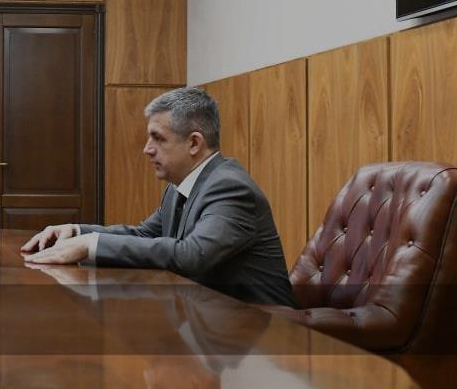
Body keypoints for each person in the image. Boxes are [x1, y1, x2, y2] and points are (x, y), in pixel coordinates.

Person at [21, 87, 296, 307]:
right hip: (210, 320)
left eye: (158, 138)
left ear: (194, 143)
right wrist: (78, 231)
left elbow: (193, 254)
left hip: (260, 331)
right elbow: (144, 234)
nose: (147, 149)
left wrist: (91, 245)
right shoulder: (180, 186)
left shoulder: (229, 187)